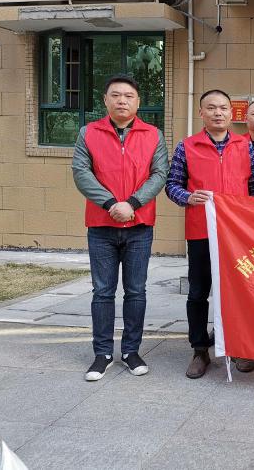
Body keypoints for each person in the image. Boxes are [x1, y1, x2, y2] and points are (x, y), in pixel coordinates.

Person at [72, 75, 168, 382]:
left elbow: (160, 173)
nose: (122, 100)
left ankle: (130, 351)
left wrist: (133, 203)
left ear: (138, 102)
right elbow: (81, 173)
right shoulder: (89, 133)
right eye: (115, 95)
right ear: (105, 100)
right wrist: (112, 203)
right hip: (102, 224)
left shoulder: (153, 134)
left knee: (136, 290)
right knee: (102, 291)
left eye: (128, 96)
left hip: (139, 225)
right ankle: (102, 353)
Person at [165, 90, 254, 378]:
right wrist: (187, 196)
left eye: (223, 108)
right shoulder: (187, 146)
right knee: (198, 292)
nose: (218, 113)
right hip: (200, 231)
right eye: (211, 108)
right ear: (201, 113)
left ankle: (238, 346)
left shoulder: (245, 146)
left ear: (232, 114)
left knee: (239, 291)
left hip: (237, 234)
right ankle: (199, 350)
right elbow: (172, 185)